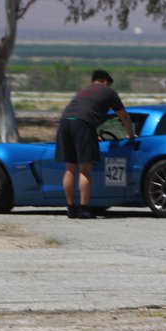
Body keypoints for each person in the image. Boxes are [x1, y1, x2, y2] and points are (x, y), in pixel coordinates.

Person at [55, 69, 135, 219]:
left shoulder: (83, 91)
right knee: (85, 169)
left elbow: (83, 112)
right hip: (83, 125)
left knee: (70, 169)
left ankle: (71, 208)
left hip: (65, 124)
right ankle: (84, 209)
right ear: (105, 81)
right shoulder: (108, 92)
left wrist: (93, 134)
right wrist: (131, 135)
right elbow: (124, 116)